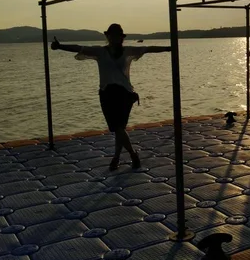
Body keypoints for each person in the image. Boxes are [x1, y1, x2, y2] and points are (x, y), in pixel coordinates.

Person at [51, 23, 171, 171]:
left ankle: (125, 157)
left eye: (118, 36)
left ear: (122, 37)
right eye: (113, 35)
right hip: (107, 94)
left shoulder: (128, 51)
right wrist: (60, 46)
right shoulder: (100, 52)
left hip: (125, 94)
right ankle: (124, 156)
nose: (116, 38)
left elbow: (148, 49)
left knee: (118, 128)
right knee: (118, 128)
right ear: (108, 37)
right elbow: (78, 47)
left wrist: (167, 48)